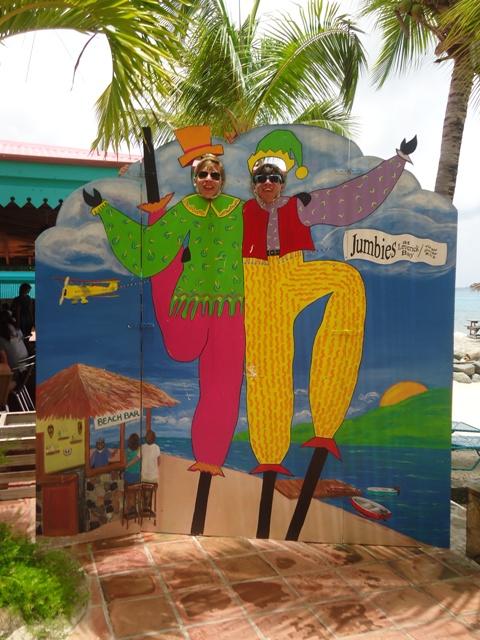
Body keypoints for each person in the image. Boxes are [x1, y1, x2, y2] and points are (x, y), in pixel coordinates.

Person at [242, 137, 416, 539]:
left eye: (274, 177)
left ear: (283, 183)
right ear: (253, 184)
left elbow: (350, 200)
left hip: (292, 272)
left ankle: (327, 415)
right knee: (266, 365)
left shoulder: (300, 204)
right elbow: (204, 233)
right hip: (256, 282)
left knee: (347, 280)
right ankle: (269, 453)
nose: (267, 183)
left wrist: (397, 161)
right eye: (261, 178)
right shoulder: (238, 212)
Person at [83, 127, 245, 535]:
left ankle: (210, 459)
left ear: (223, 179)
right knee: (182, 347)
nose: (208, 179)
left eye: (215, 174)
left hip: (231, 307)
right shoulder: (186, 209)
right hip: (191, 303)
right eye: (202, 173)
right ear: (194, 178)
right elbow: (151, 248)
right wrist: (107, 211)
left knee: (225, 384)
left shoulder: (240, 210)